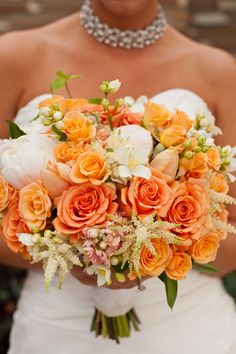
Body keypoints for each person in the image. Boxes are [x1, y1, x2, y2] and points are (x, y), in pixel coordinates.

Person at [0, 0, 236, 353]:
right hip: (58, 332)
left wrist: (153, 251)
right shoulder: (14, 56)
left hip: (190, 332)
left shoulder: (219, 70)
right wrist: (72, 249)